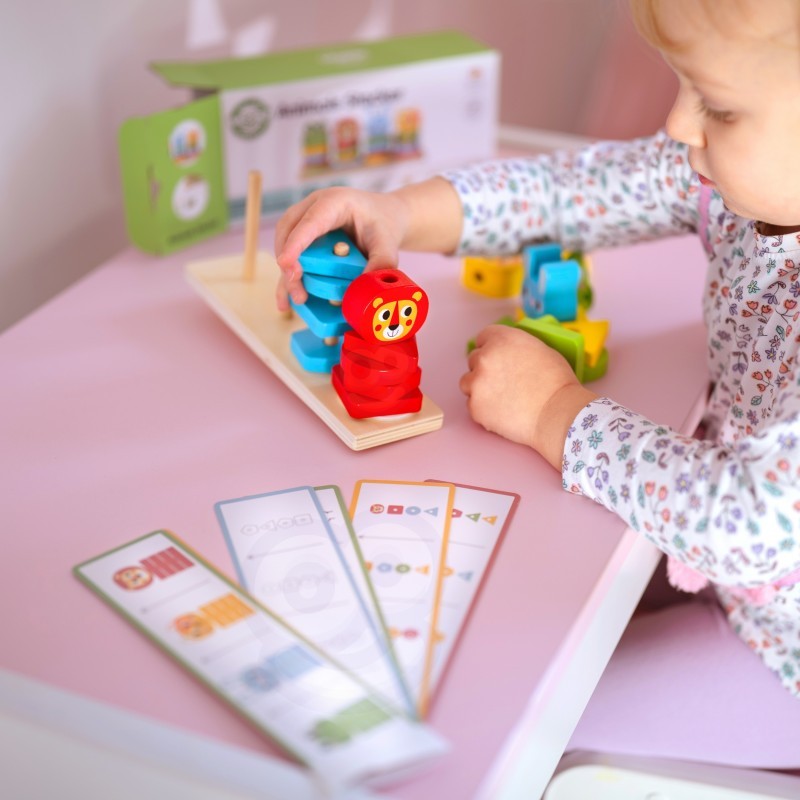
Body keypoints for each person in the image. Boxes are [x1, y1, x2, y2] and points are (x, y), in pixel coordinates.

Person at [275, 0, 800, 761]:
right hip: (740, 575)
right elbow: (576, 191)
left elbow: (749, 526)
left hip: (781, 658)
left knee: (520, 741)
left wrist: (556, 412)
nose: (678, 126)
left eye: (716, 105)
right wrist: (400, 213)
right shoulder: (739, 181)